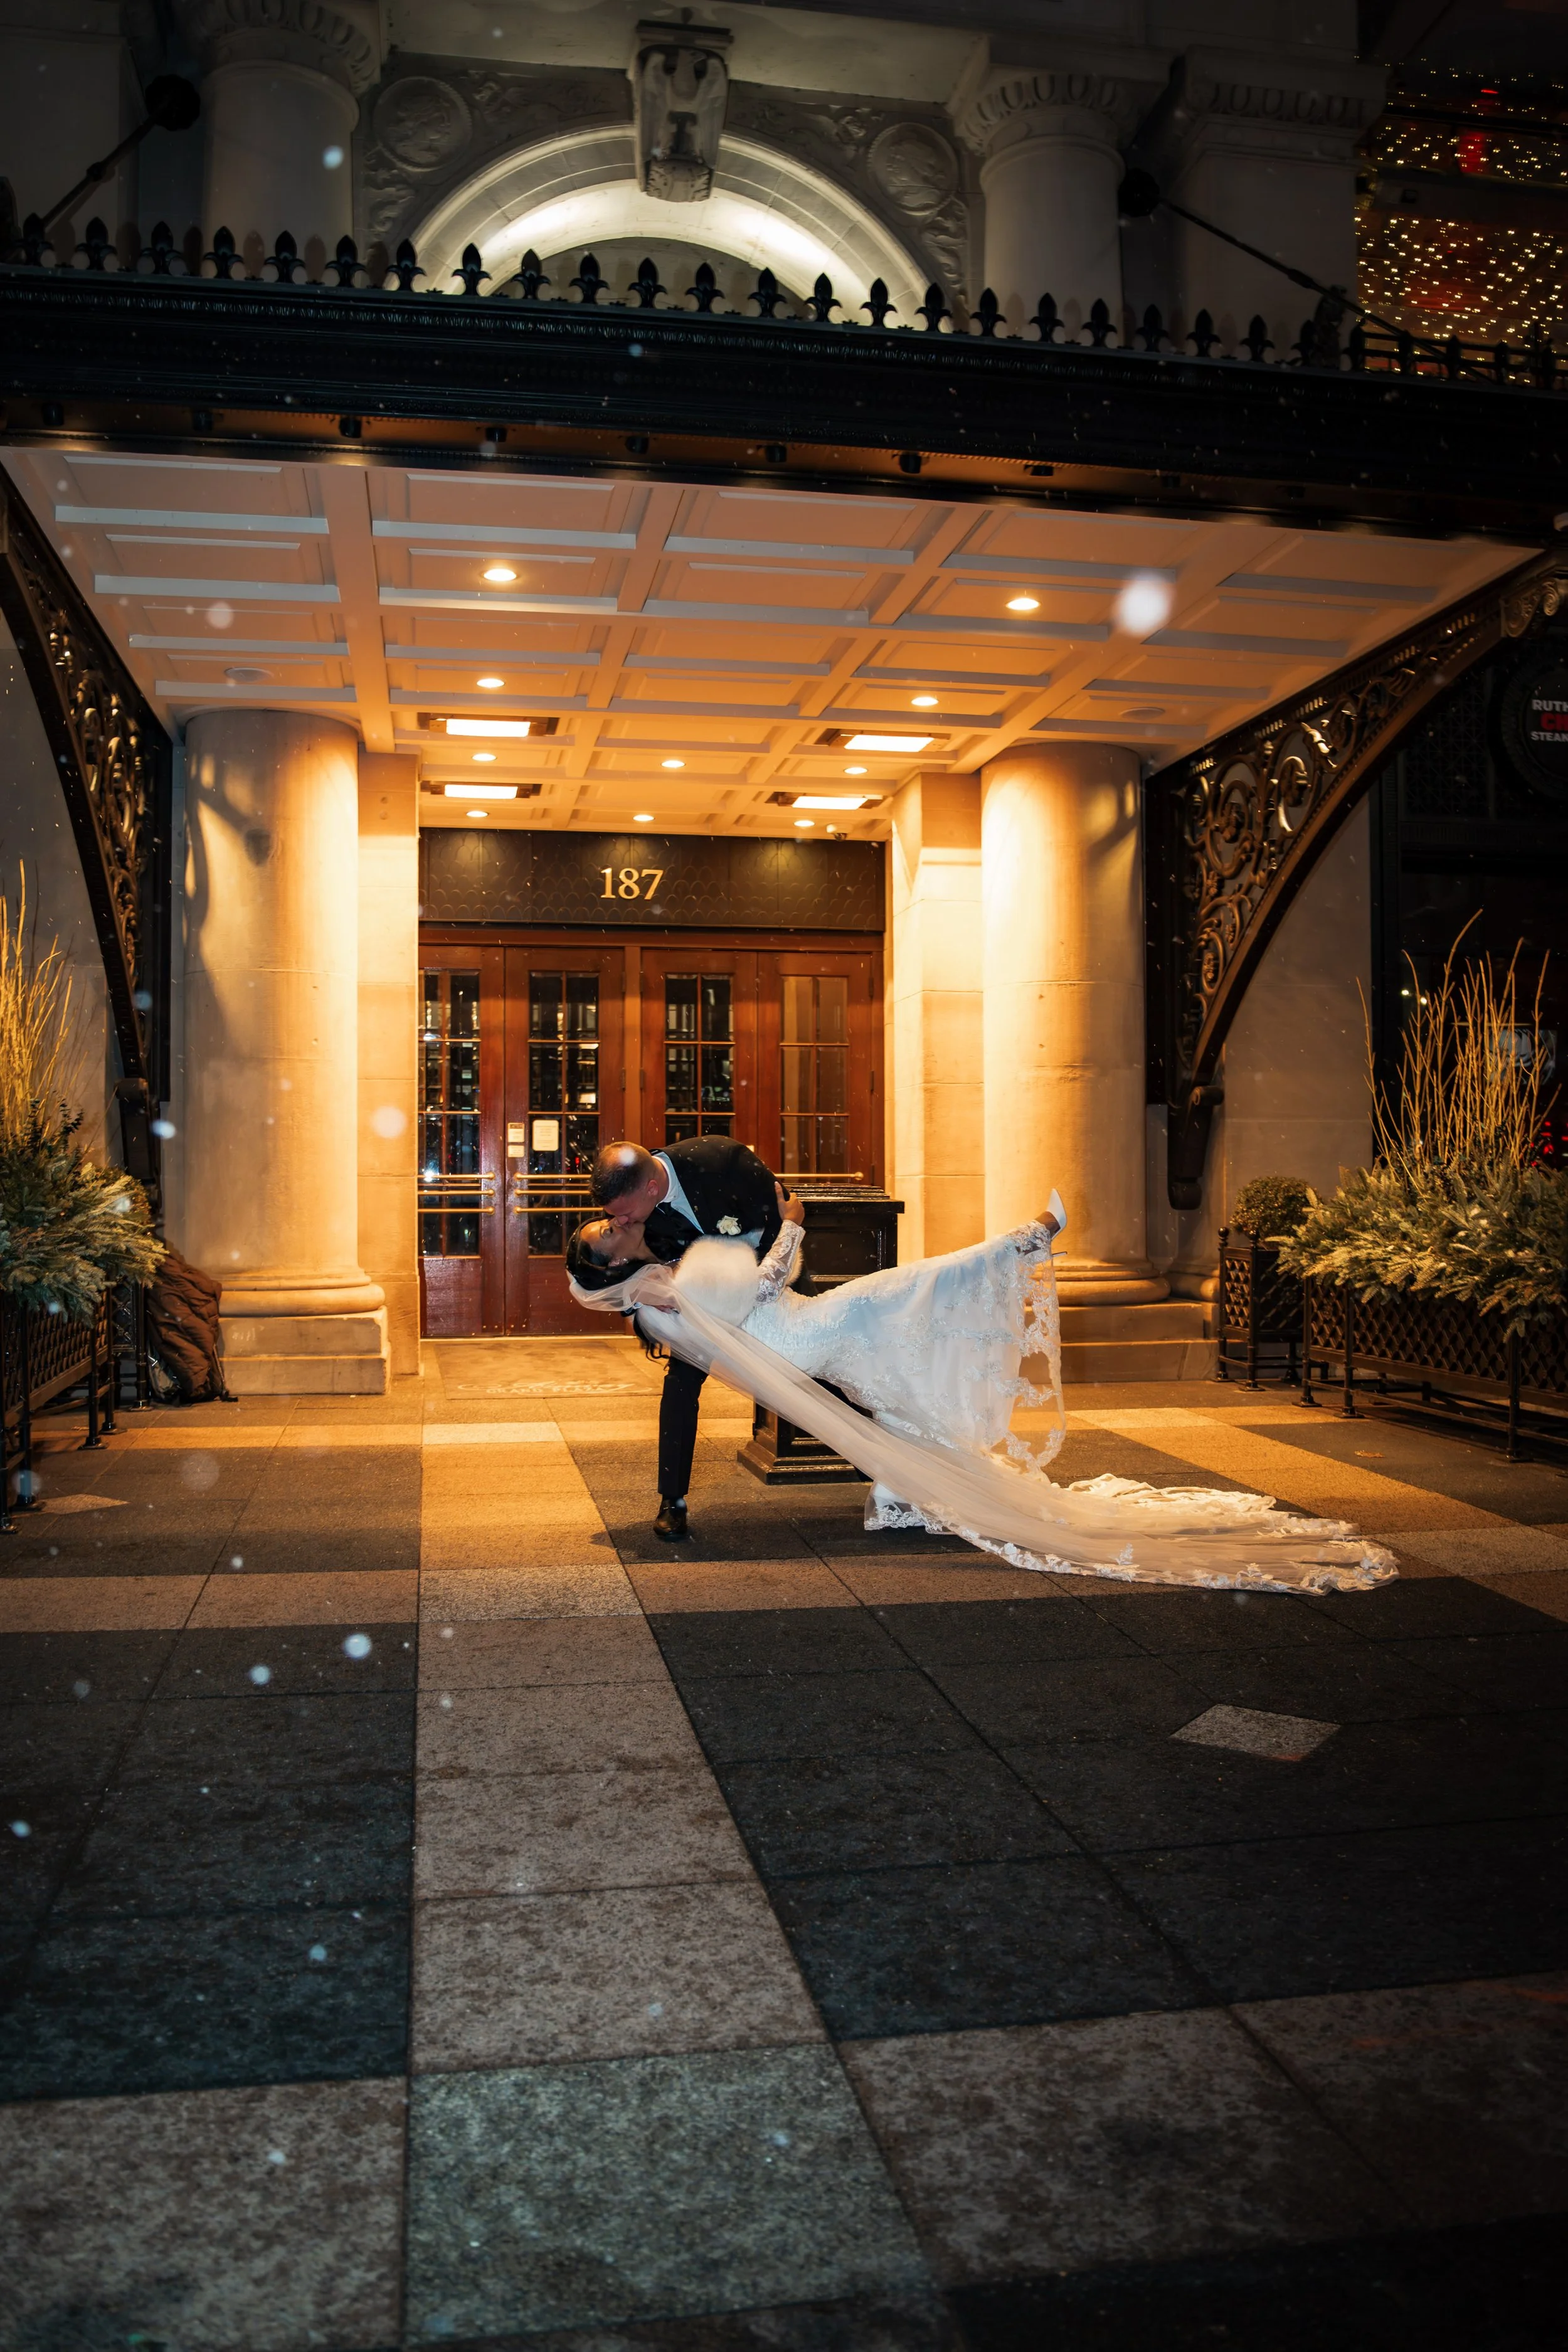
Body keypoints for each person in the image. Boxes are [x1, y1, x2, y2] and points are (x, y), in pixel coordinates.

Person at [566, 1184, 1397, 1594]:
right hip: (811, 1329)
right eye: (602, 1233)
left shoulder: (659, 1280)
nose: (612, 1224)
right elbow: (751, 1295)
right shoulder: (659, 1301)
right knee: (921, 1285)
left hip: (811, 1329)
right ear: (607, 1271)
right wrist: (793, 1223)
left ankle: (908, 1491)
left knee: (911, 1355)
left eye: (607, 1219)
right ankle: (1028, 1238)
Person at [587, 1136, 782, 1541]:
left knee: (820, 1362)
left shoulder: (723, 1160)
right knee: (680, 1383)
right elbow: (602, 1265)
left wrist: (749, 1287)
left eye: (625, 1213)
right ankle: (671, 1500)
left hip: (770, 1283)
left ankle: (874, 1464)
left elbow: (778, 1221)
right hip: (698, 1310)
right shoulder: (628, 1203)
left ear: (652, 1188)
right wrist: (638, 1295)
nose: (621, 1222)